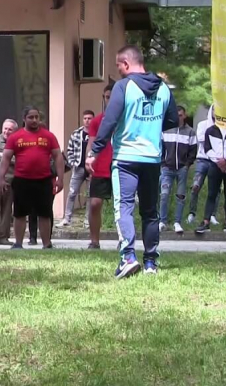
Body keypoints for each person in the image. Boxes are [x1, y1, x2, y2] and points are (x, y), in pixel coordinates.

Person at [87, 45, 177, 279]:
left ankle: (127, 257)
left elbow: (110, 120)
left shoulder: (124, 86)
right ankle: (150, 263)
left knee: (124, 207)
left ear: (126, 63)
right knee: (150, 211)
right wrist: (150, 127)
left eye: (118, 66)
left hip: (126, 157)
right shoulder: (164, 88)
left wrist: (95, 151)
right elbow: (173, 119)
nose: (119, 71)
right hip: (152, 157)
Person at [0, 107, 64, 249]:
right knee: (20, 213)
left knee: (45, 213)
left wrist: (60, 178)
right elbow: (5, 158)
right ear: (24, 119)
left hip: (44, 180)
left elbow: (58, 156)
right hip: (22, 180)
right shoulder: (15, 137)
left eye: (36, 117)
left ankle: (47, 244)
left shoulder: (48, 136)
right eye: (31, 117)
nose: (34, 120)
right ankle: (18, 243)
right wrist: (1, 178)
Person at [196, 123, 226, 235]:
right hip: (214, 165)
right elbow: (207, 149)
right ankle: (206, 222)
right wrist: (219, 161)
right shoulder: (210, 130)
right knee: (212, 194)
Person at [159, 106, 198, 233]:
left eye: (180, 115)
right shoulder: (166, 130)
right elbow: (161, 148)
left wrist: (187, 164)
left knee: (180, 196)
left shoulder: (190, 132)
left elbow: (193, 151)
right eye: (176, 115)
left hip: (182, 168)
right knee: (164, 194)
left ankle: (177, 222)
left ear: (184, 116)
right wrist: (163, 163)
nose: (178, 117)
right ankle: (162, 221)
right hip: (167, 168)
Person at [86, 85, 114, 249]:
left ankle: (124, 241)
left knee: (123, 206)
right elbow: (91, 143)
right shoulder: (97, 121)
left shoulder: (126, 119)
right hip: (100, 167)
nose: (109, 100)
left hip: (120, 165)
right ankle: (94, 241)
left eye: (112, 97)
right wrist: (88, 159)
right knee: (95, 204)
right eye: (106, 97)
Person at [60, 110, 94, 228]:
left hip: (92, 169)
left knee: (90, 195)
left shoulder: (97, 134)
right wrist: (73, 162)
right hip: (78, 167)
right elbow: (70, 150)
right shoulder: (76, 133)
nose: (87, 121)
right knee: (72, 192)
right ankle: (67, 218)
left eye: (89, 118)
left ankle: (87, 221)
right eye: (85, 118)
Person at [188, 104, 218, 225]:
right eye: (215, 110)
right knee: (196, 186)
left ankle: (212, 214)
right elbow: (201, 139)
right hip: (202, 159)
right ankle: (192, 213)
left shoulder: (222, 127)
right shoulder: (202, 125)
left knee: (215, 189)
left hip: (215, 160)